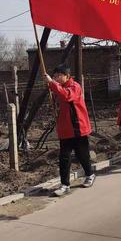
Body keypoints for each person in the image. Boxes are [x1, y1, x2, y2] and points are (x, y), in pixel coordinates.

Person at [45, 64, 94, 196]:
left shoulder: (74, 87)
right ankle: (65, 184)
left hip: (78, 128)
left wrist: (51, 83)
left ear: (67, 76)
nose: (55, 78)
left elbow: (67, 96)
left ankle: (89, 174)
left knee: (82, 155)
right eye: (54, 76)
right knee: (64, 158)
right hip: (65, 129)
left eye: (58, 76)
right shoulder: (59, 88)